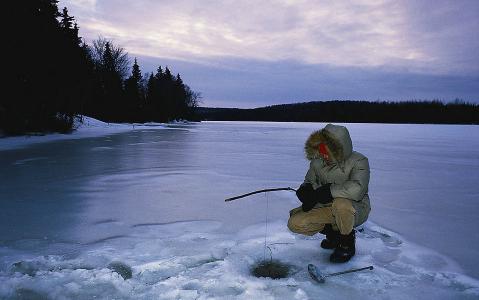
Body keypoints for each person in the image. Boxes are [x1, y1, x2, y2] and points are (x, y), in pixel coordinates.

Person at [288, 124, 371, 263]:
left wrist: (330, 191)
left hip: (354, 208)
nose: (323, 155)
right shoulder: (317, 162)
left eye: (326, 152)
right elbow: (309, 180)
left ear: (338, 149)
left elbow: (358, 188)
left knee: (341, 204)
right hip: (326, 206)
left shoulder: (359, 161)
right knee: (295, 223)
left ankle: (346, 243)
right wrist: (306, 190)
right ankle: (333, 234)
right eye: (321, 150)